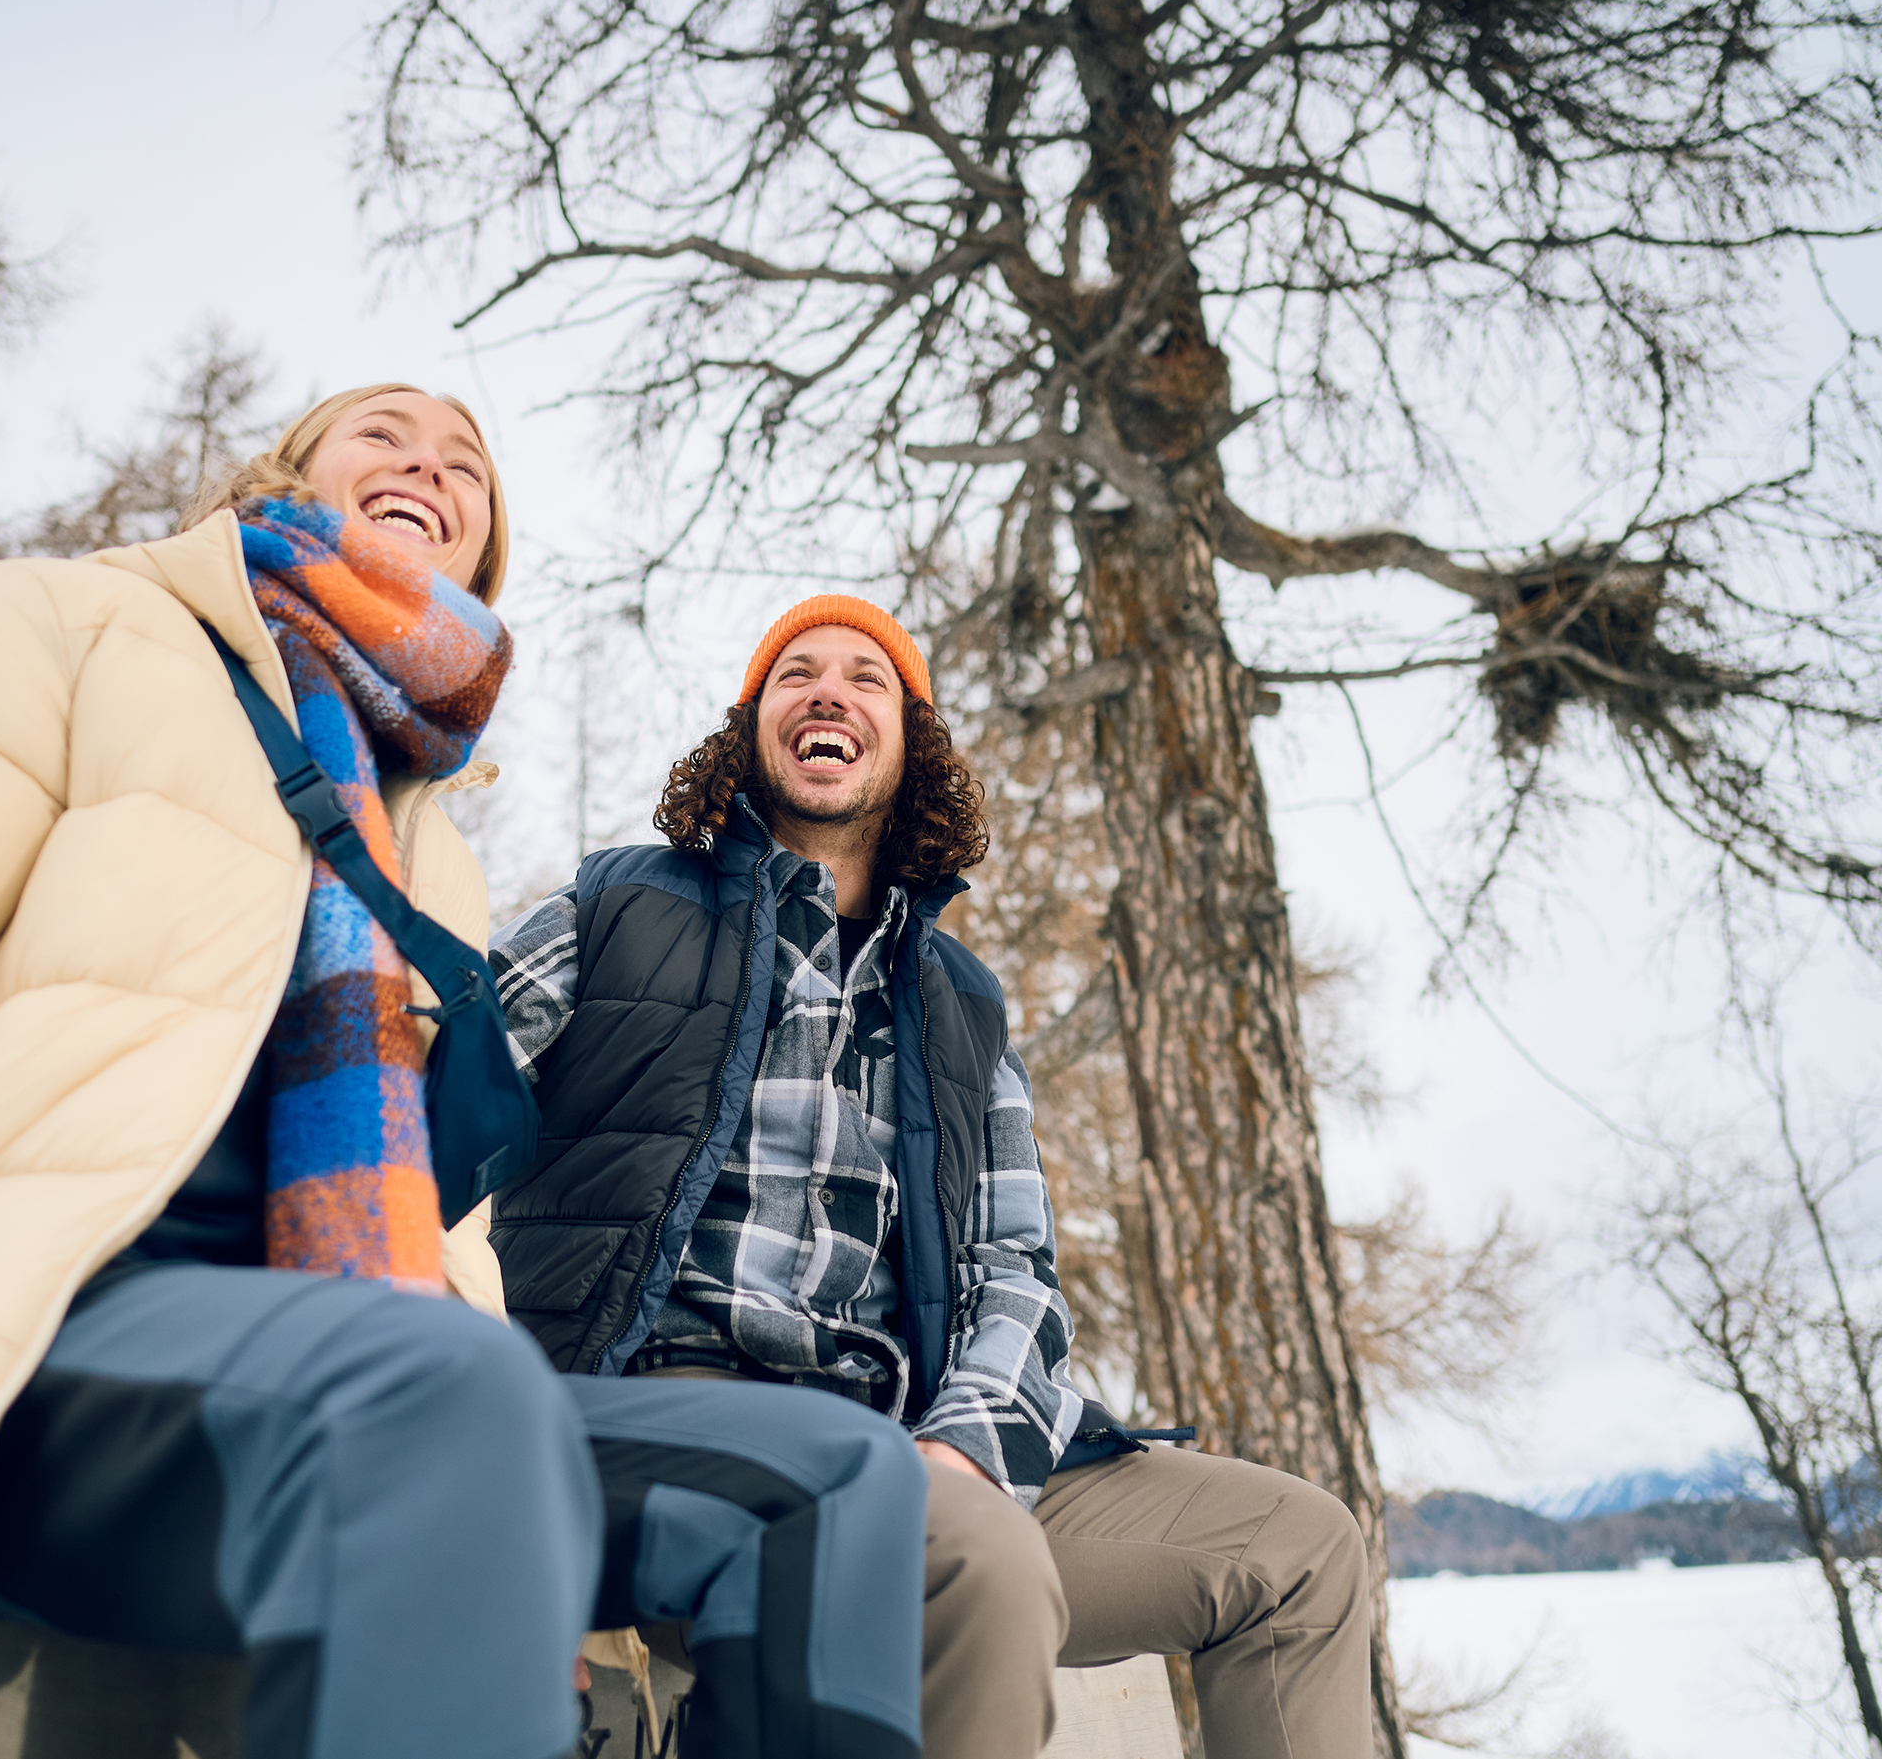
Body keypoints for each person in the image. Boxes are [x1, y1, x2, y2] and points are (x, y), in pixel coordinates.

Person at [0, 394, 924, 1759]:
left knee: (835, 1485)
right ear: (282, 476)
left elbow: (438, 1244)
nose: (429, 466)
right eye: (385, 435)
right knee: (443, 1401)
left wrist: (515, 1532)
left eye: (466, 469)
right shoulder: (55, 628)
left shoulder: (433, 853)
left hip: (346, 1364)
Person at [488, 596, 1375, 1758]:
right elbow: (429, 1091)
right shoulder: (617, 908)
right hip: (670, 1417)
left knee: (1295, 1545)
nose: (826, 690)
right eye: (793, 673)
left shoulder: (961, 1003)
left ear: (909, 745)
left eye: (866, 678)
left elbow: (1015, 1269)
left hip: (917, 1441)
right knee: (969, 1555)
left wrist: (961, 1447)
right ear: (748, 730)